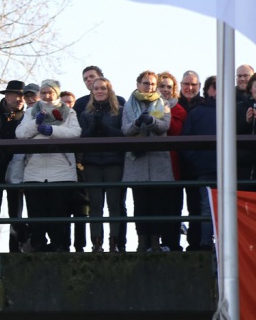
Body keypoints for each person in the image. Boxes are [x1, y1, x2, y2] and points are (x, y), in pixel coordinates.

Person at [15, 79, 80, 252]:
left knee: (59, 213)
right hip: (34, 170)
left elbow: (75, 133)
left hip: (61, 170)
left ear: (56, 93)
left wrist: (52, 131)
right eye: (43, 93)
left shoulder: (69, 112)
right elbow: (20, 133)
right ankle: (38, 247)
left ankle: (58, 247)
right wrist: (36, 123)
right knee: (36, 213)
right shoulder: (30, 112)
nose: (47, 96)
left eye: (50, 92)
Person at [121, 70, 173, 252]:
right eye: (145, 83)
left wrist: (151, 121)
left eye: (152, 84)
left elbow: (165, 125)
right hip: (137, 161)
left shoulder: (163, 103)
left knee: (157, 205)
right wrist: (137, 123)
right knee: (140, 204)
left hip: (158, 161)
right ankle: (142, 242)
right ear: (138, 84)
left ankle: (155, 242)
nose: (149, 86)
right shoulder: (128, 105)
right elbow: (125, 130)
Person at [78, 77, 127, 253]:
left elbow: (123, 134)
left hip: (113, 160)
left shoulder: (119, 111)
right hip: (92, 161)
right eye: (96, 88)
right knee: (96, 203)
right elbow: (82, 137)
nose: (99, 91)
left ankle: (114, 241)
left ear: (109, 91)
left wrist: (106, 130)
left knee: (114, 202)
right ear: (92, 92)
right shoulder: (86, 114)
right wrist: (93, 128)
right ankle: (96, 242)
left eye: (103, 88)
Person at [181, 76, 217, 250]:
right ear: (208, 90)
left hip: (232, 168)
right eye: (214, 87)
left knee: (231, 206)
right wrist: (198, 160)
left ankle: (227, 244)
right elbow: (186, 142)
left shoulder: (235, 110)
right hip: (205, 168)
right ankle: (206, 243)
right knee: (206, 207)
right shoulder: (196, 113)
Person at [0, 80, 29, 253]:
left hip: (18, 164)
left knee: (16, 207)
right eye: (17, 95)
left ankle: (15, 247)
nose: (20, 99)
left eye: (23, 96)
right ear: (7, 96)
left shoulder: (26, 116)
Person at [157, 71, 186, 252]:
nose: (166, 90)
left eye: (169, 87)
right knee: (154, 206)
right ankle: (153, 243)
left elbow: (174, 130)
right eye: (162, 86)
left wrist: (164, 112)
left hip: (172, 165)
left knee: (173, 206)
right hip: (152, 164)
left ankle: (172, 243)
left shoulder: (179, 110)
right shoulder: (145, 105)